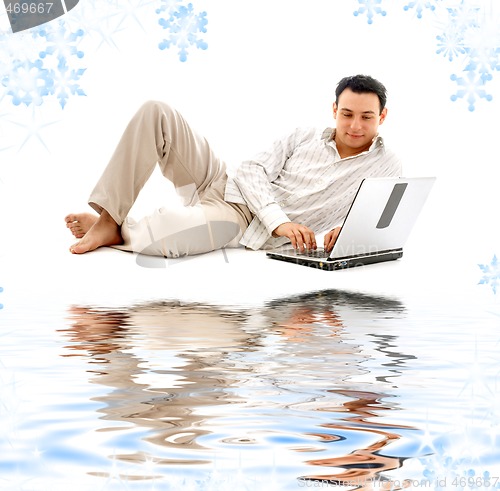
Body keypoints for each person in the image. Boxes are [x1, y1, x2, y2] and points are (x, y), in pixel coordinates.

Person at [65, 74, 402, 257]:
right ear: (334, 110)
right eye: (347, 114)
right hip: (222, 183)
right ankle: (110, 219)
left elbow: (371, 222)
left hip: (241, 221)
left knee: (162, 233)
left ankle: (123, 227)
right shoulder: (304, 136)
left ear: (382, 117)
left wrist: (344, 233)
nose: (355, 125)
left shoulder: (386, 165)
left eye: (366, 117)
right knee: (157, 112)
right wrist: (281, 222)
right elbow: (252, 170)